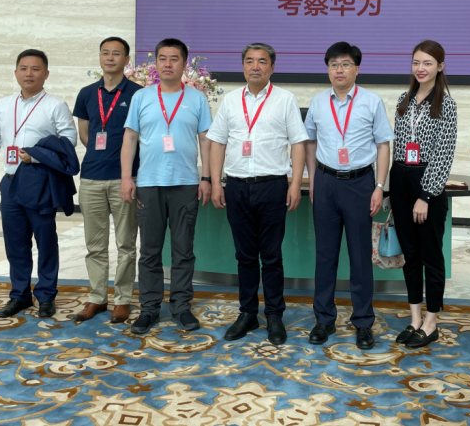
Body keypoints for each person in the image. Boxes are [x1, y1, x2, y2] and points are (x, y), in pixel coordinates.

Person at [207, 43, 308, 346]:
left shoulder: (285, 99)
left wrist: (294, 183)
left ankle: (274, 315)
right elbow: (217, 142)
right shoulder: (230, 100)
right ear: (243, 66)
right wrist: (216, 183)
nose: (255, 66)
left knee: (272, 256)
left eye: (262, 61)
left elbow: (298, 143)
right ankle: (248, 313)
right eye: (249, 61)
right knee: (245, 256)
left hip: (272, 186)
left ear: (272, 67)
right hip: (237, 186)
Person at [0, 49, 78, 319]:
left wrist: (37, 156)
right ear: (16, 72)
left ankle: (46, 295)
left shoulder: (55, 105)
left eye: (35, 69)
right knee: (15, 243)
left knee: (45, 241)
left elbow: (69, 142)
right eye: (24, 68)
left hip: (39, 181)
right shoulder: (4, 104)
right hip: (10, 183)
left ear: (46, 74)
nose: (29, 73)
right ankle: (19, 295)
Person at [303, 42, 393, 350]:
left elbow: (383, 145)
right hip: (326, 182)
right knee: (325, 255)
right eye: (333, 65)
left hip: (360, 184)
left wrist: (379, 186)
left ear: (357, 68)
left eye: (345, 64)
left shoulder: (371, 101)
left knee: (360, 257)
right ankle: (324, 319)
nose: (338, 70)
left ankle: (363, 322)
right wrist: (313, 181)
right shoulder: (318, 102)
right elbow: (310, 143)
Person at [120, 38, 213, 335]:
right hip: (149, 184)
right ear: (156, 63)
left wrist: (207, 178)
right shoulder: (142, 97)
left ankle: (181, 307)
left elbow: (206, 141)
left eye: (174, 58)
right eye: (163, 58)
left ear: (184, 64)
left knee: (183, 250)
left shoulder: (197, 98)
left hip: (186, 184)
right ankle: (149, 308)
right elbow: (130, 139)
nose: (168, 64)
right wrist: (126, 178)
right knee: (149, 250)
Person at [389, 40, 458, 349]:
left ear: (440, 67)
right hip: (401, 179)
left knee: (431, 255)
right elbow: (398, 147)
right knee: (410, 255)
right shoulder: (403, 100)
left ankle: (431, 322)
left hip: (427, 183)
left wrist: (426, 195)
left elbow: (444, 154)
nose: (421, 68)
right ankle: (415, 318)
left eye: (428, 63)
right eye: (416, 62)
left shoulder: (447, 104)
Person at [71, 37, 143, 324]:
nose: (110, 58)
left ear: (127, 59)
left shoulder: (138, 94)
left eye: (116, 53)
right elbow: (85, 134)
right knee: (95, 245)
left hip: (125, 178)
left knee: (126, 244)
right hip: (91, 177)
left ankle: (123, 299)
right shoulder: (87, 93)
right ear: (100, 57)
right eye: (105, 53)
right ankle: (97, 297)